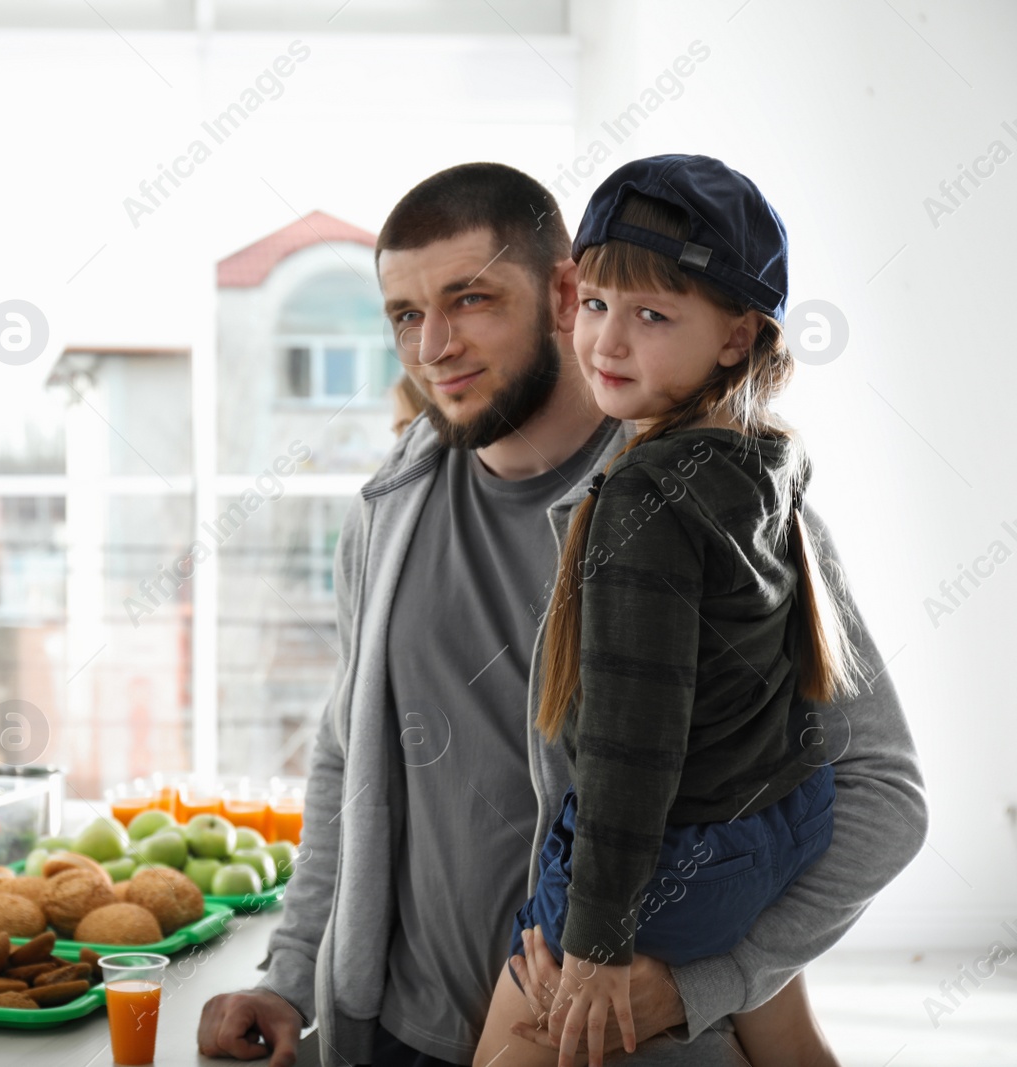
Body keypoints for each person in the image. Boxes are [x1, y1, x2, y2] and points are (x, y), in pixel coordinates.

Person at [196, 162, 927, 1066]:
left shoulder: (714, 503)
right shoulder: (386, 510)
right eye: (406, 315)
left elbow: (882, 797)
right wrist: (290, 972)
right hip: (401, 1034)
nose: (433, 348)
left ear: (563, 292)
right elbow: (349, 757)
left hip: (632, 1042)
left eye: (470, 300)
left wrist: (702, 985)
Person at [473, 156, 850, 1067]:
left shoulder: (642, 499)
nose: (607, 341)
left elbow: (631, 749)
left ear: (735, 337)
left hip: (668, 853)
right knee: (791, 1046)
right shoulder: (763, 456)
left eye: (652, 315)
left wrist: (597, 943)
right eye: (597, 303)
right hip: (773, 822)